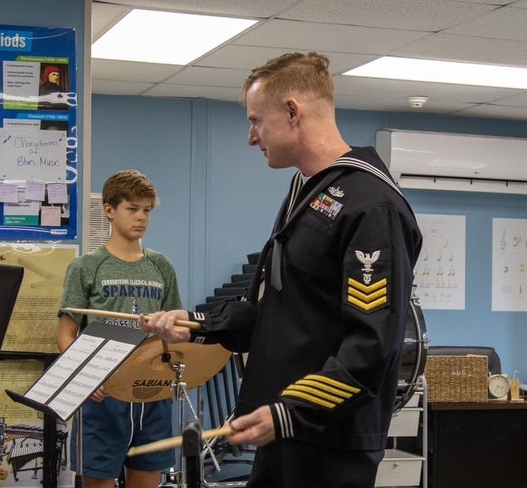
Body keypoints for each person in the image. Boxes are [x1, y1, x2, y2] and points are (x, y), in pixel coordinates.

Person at [141, 52, 422, 488]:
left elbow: (373, 346)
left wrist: (293, 412)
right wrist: (197, 325)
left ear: (292, 112)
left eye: (256, 120)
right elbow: (277, 311)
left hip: (327, 438)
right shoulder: (307, 190)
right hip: (286, 428)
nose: (252, 137)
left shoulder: (372, 206)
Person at [57, 170, 183, 488]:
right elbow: (66, 334)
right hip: (103, 396)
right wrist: (85, 377)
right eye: (132, 208)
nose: (141, 217)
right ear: (110, 210)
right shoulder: (86, 266)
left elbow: (173, 330)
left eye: (147, 210)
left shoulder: (162, 266)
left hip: (151, 392)